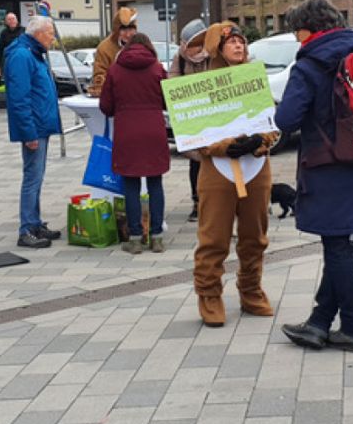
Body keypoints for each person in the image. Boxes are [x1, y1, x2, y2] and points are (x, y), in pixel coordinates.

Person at [275, 0, 353, 354]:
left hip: (326, 169)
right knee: (338, 244)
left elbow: (286, 120)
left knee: (337, 248)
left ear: (309, 30)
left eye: (297, 31)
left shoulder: (308, 67)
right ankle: (318, 322)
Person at [193, 22, 277, 327]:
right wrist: (225, 145)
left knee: (255, 236)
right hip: (218, 171)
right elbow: (195, 136)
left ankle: (251, 290)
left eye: (242, 42)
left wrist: (260, 142)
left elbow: (271, 126)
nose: (239, 46)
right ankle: (209, 294)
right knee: (213, 237)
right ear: (219, 47)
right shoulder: (202, 86)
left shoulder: (255, 80)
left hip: (255, 168)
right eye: (232, 43)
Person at [99, 33, 171, 254]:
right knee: (155, 184)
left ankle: (135, 238)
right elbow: (169, 100)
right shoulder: (158, 68)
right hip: (154, 131)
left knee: (130, 186)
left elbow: (106, 106)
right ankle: (157, 237)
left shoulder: (115, 70)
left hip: (127, 132)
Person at [4, 16, 63, 248]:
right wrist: (28, 133)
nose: (52, 38)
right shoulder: (22, 56)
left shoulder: (32, 52)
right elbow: (19, 98)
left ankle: (35, 222)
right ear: (38, 33)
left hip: (40, 125)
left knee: (37, 177)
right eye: (50, 33)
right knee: (32, 178)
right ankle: (26, 229)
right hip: (34, 128)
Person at [169, 18, 209, 222]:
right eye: (192, 45)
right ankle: (197, 202)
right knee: (196, 162)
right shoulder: (180, 59)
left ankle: (213, 201)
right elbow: (172, 83)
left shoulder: (212, 55)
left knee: (214, 159)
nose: (196, 49)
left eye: (199, 44)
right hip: (192, 118)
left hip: (212, 117)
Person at [89, 6, 137, 97]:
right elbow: (99, 75)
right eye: (123, 30)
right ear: (116, 30)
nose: (128, 34)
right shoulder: (104, 48)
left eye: (131, 29)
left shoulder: (141, 45)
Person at [0, 12, 24, 82]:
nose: (12, 21)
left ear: (17, 20)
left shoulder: (24, 31)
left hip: (22, 62)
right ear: (6, 22)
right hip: (9, 62)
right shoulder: (4, 33)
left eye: (13, 19)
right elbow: (0, 50)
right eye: (9, 19)